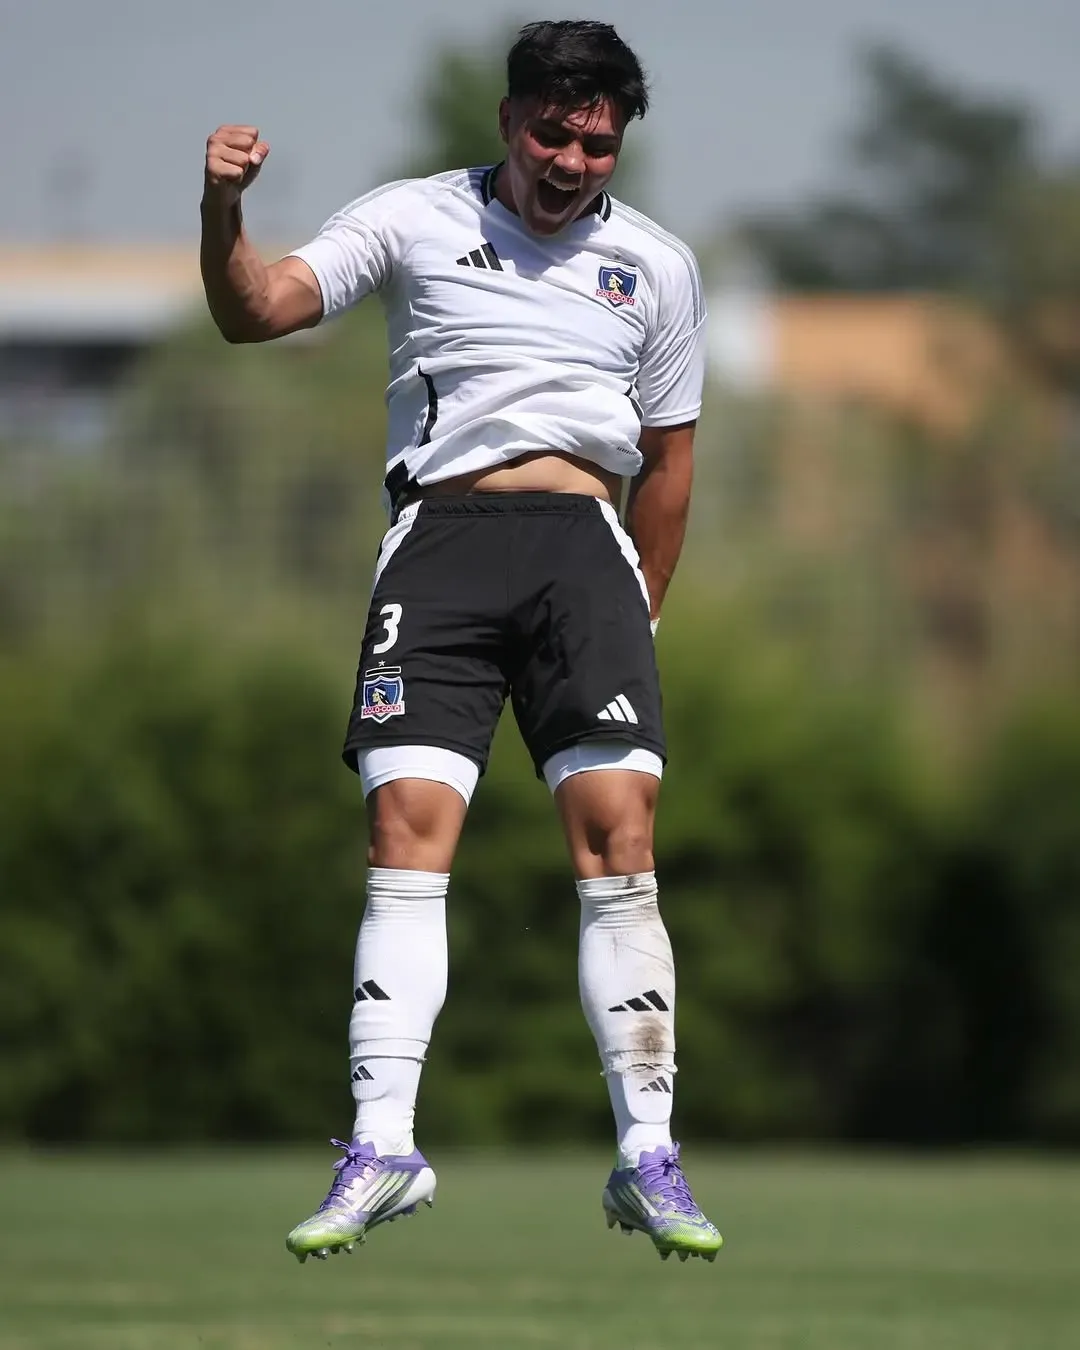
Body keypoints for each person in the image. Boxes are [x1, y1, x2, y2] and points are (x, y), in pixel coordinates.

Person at [200, 18, 721, 1266]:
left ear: (618, 144)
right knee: (404, 836)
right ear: (508, 121)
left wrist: (634, 607)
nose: (571, 160)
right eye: (552, 132)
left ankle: (648, 1153)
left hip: (582, 561)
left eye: (596, 143)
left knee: (620, 837)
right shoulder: (414, 217)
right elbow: (257, 311)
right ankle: (383, 1146)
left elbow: (670, 468)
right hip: (437, 547)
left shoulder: (656, 265)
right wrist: (221, 212)